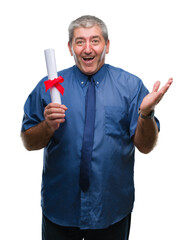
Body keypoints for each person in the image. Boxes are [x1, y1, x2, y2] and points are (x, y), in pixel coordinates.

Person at [21, 15, 173, 240]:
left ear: (107, 45)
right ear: (70, 47)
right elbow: (27, 141)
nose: (87, 49)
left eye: (95, 40)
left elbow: (146, 146)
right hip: (60, 208)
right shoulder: (49, 87)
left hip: (111, 209)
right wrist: (47, 126)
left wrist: (146, 114)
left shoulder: (130, 86)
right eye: (80, 41)